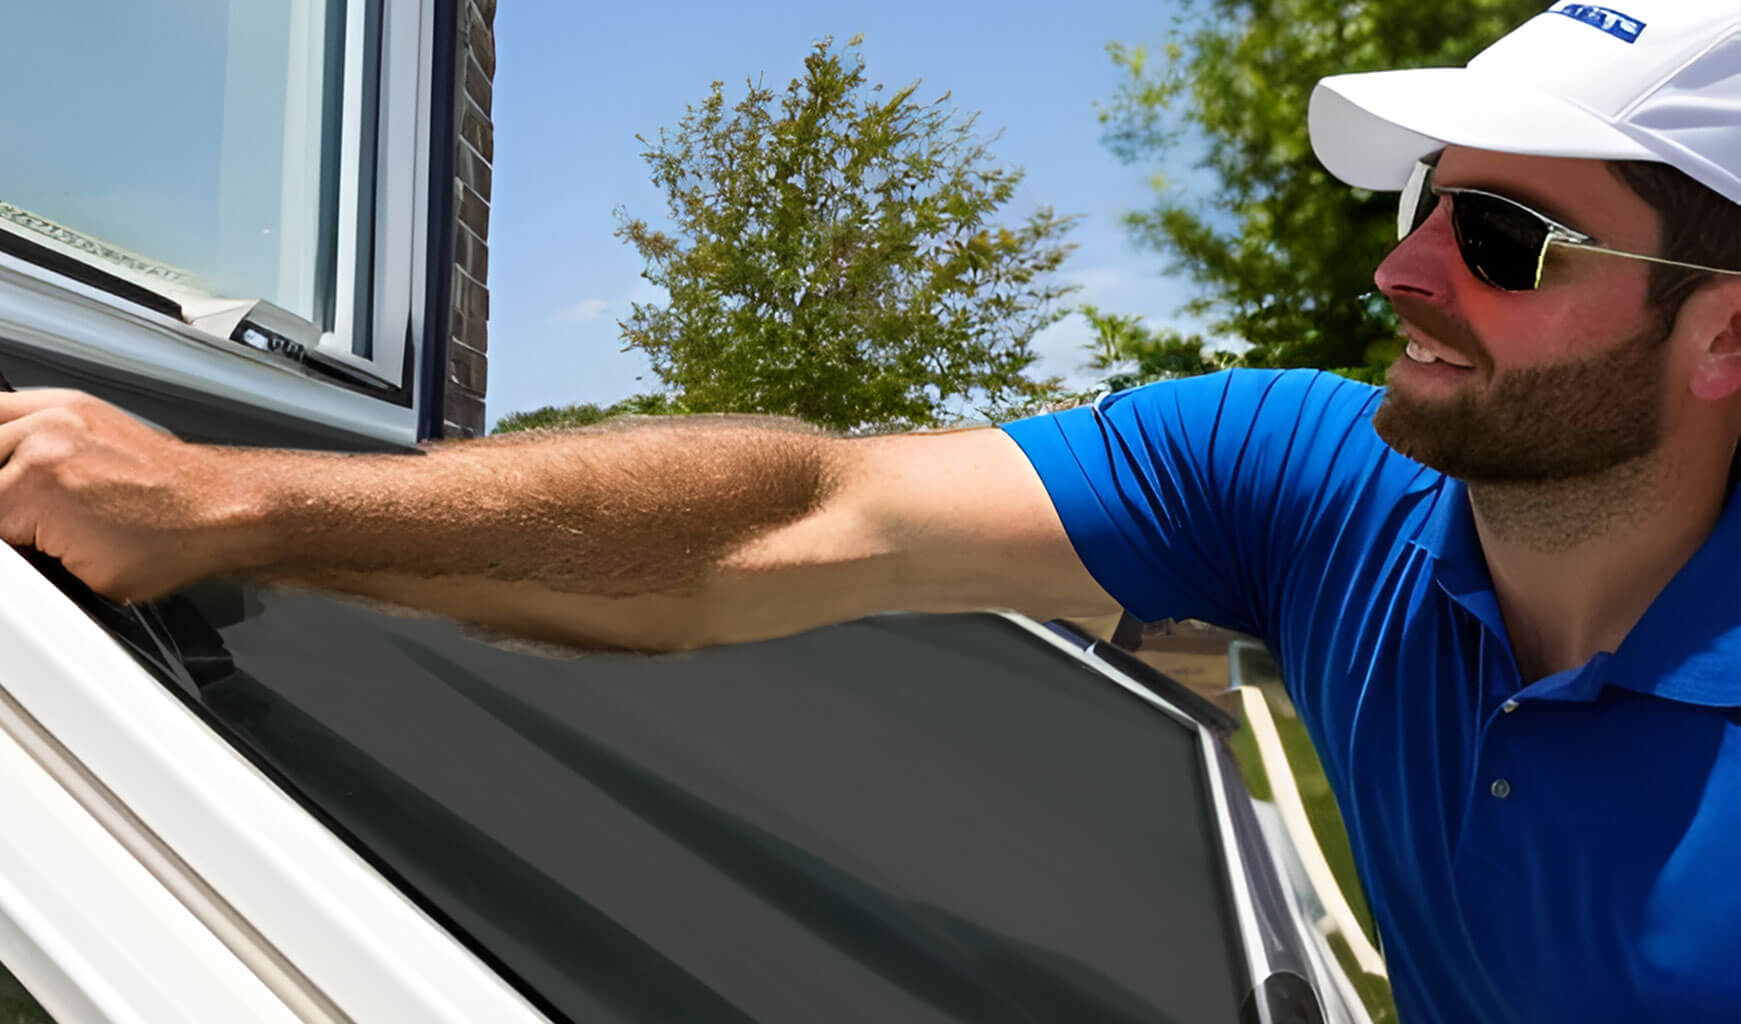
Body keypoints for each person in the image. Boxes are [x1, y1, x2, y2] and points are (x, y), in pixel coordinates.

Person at [1, 1, 1738, 1019]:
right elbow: (795, 517)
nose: (1401, 268)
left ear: (1720, 334)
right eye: (1427, 201)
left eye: (1507, 244)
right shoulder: (1311, 474)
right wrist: (228, 499)